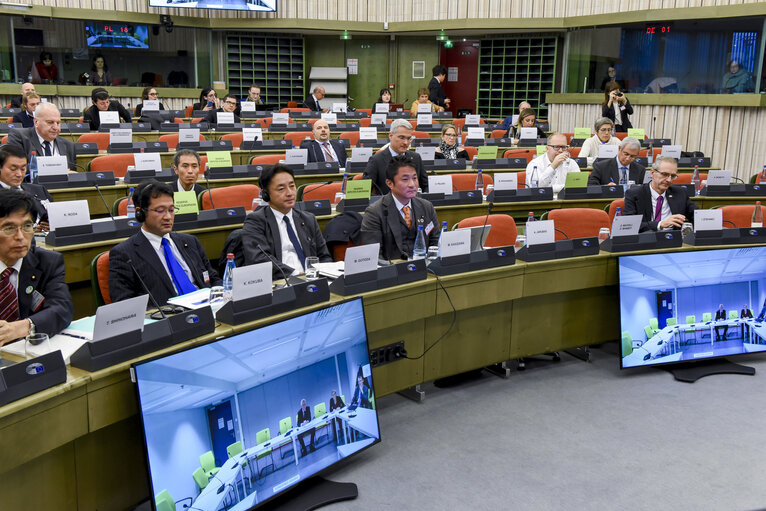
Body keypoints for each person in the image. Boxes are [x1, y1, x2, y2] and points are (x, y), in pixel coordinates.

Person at [108, 180, 221, 305]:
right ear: (140, 213)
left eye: (171, 210)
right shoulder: (124, 254)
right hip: (168, 318)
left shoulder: (190, 242)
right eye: (160, 210)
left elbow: (213, 279)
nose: (168, 217)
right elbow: (125, 306)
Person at [0, 189, 72, 347]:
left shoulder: (47, 262)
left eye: (27, 226)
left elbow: (62, 308)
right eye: (9, 228)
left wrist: (23, 327)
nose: (20, 237)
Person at [241, 164, 332, 279]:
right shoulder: (255, 221)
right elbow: (259, 260)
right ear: (266, 194)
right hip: (280, 283)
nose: (289, 193)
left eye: (292, 186)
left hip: (312, 281)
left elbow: (324, 257)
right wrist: (296, 275)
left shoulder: (308, 219)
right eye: (281, 189)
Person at [360, 154, 439, 261]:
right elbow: (374, 256)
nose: (412, 184)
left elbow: (436, 243)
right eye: (405, 179)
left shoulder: (426, 206)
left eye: (415, 178)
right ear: (390, 183)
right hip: (393, 272)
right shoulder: (374, 212)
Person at [623, 156, 697, 232]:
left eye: (673, 176)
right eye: (664, 174)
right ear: (652, 173)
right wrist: (660, 224)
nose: (669, 180)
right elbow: (629, 225)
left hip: (674, 240)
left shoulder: (680, 193)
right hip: (646, 239)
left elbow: (696, 215)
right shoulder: (635, 194)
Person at [361, 118, 428, 195]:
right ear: (390, 136)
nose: (406, 142)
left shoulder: (416, 158)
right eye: (401, 138)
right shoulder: (376, 160)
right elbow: (365, 192)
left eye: (409, 138)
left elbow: (426, 186)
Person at [8, 103, 77, 171]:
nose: (56, 127)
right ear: (36, 122)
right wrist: (56, 170)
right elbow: (16, 167)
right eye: (50, 122)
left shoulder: (69, 146)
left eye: (58, 123)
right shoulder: (19, 137)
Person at [0, 145, 53, 232]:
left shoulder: (39, 190)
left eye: (23, 169)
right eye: (13, 169)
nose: (19, 174)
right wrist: (30, 231)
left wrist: (50, 226)